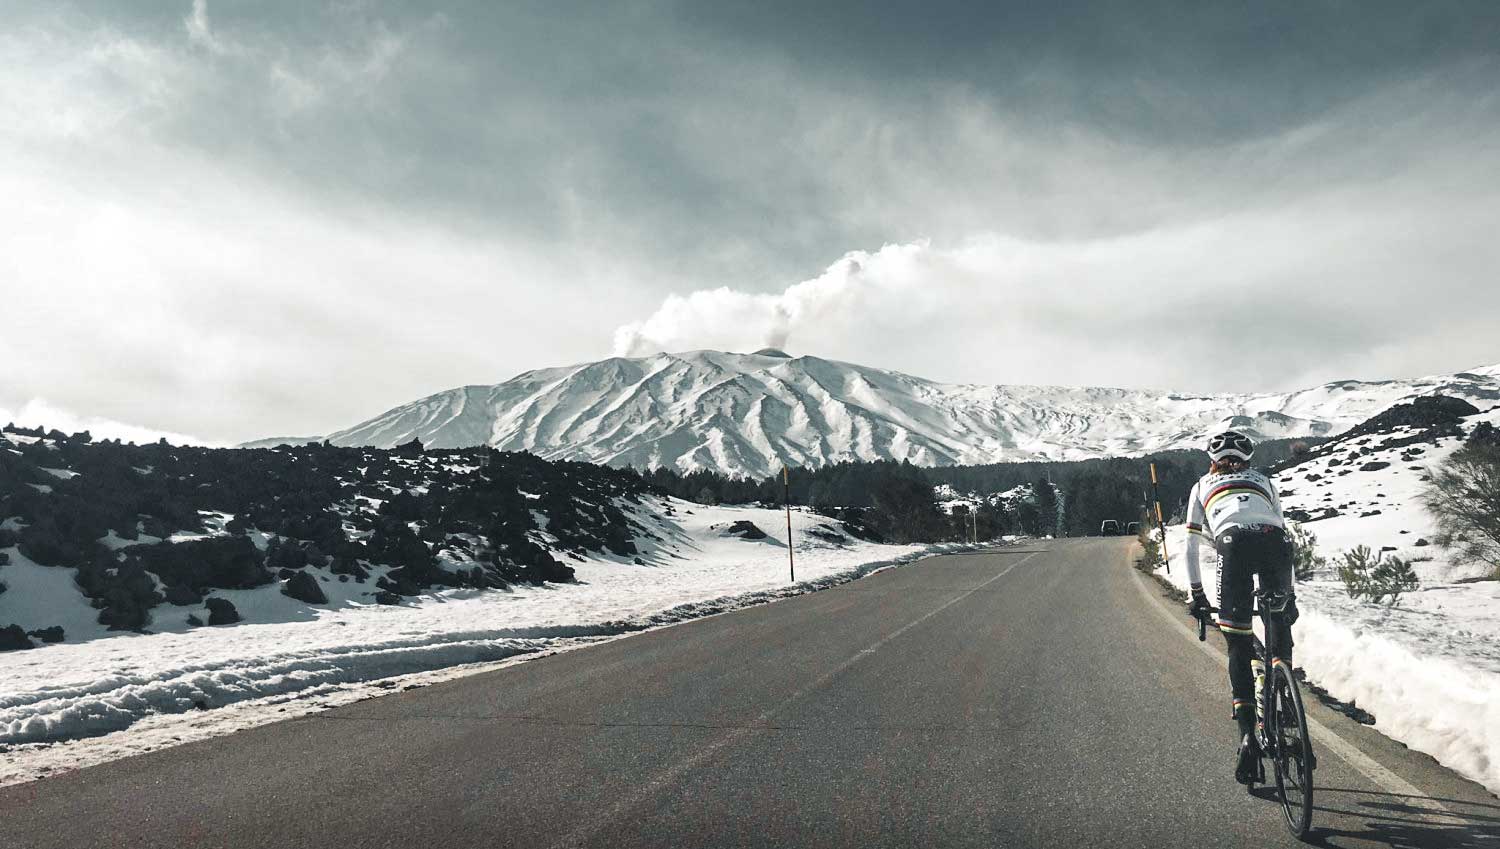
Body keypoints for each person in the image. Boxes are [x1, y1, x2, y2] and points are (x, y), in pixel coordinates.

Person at [1183, 430, 1299, 784]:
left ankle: (1248, 736)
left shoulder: (1202, 484)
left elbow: (1190, 544)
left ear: (1212, 461)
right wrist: (1289, 594)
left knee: (1238, 643)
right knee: (1279, 625)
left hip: (1233, 545)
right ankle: (1286, 694)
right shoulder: (1264, 480)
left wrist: (1197, 595)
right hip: (1275, 543)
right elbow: (1282, 530)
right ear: (1248, 461)